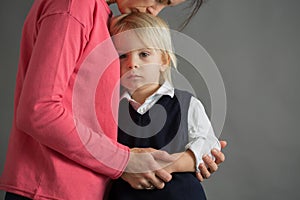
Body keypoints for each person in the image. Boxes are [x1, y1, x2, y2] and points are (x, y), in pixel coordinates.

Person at [0, 0, 226, 199]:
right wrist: (125, 161)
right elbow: (40, 110)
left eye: (164, 5)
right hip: (50, 189)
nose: (153, 11)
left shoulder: (104, 18)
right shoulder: (74, 6)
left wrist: (196, 156)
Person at [107, 12, 221, 200]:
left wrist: (170, 164)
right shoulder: (111, 109)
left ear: (164, 61)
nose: (132, 64)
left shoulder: (186, 104)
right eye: (122, 56)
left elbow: (208, 144)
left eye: (144, 54)